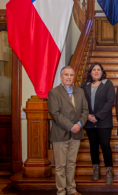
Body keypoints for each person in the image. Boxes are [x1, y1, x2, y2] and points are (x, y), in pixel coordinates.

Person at [48, 66, 89, 195]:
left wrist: (79, 124)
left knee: (71, 164)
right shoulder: (54, 92)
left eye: (71, 75)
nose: (69, 77)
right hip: (60, 134)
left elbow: (85, 110)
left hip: (76, 134)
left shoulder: (80, 92)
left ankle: (71, 189)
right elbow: (55, 114)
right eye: (66, 75)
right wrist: (71, 126)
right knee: (60, 166)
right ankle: (61, 191)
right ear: (61, 77)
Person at [81, 62, 115, 185]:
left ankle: (108, 170)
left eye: (98, 69)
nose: (96, 71)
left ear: (102, 72)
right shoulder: (84, 85)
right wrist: (87, 116)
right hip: (89, 122)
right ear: (90, 72)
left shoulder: (108, 84)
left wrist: (98, 116)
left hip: (104, 122)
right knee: (93, 146)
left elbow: (110, 101)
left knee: (105, 146)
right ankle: (96, 169)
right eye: (94, 69)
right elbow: (81, 102)